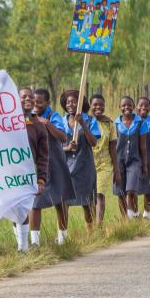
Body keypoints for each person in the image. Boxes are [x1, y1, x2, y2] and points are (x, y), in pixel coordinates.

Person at [32, 88, 72, 246]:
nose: (36, 106)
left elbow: (63, 137)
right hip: (37, 166)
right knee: (35, 203)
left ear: (48, 103)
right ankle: (35, 242)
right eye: (34, 102)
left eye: (40, 103)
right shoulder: (27, 116)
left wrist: (47, 123)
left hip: (55, 164)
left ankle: (62, 237)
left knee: (60, 201)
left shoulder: (53, 116)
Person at [13, 88, 49, 251]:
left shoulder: (39, 126)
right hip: (9, 174)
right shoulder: (8, 122)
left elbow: (43, 157)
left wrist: (41, 179)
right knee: (14, 210)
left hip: (29, 175)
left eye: (30, 97)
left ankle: (23, 247)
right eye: (23, 96)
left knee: (22, 209)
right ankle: (20, 242)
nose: (27, 99)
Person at [60, 90, 100, 231]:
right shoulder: (60, 121)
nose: (70, 104)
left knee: (87, 203)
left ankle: (91, 233)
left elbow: (94, 142)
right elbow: (56, 145)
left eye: (74, 101)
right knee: (63, 203)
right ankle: (63, 236)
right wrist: (67, 148)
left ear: (80, 103)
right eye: (68, 102)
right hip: (66, 168)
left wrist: (82, 123)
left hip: (85, 167)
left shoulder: (90, 120)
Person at [114, 96, 150, 219]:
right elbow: (112, 145)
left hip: (135, 161)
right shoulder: (115, 123)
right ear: (119, 108)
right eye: (123, 105)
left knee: (131, 190)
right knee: (120, 192)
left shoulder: (140, 123)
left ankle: (132, 215)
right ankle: (126, 219)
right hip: (119, 161)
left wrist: (144, 165)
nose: (126, 108)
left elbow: (143, 147)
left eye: (129, 105)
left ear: (134, 107)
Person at [90, 94, 121, 225]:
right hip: (89, 165)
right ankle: (90, 226)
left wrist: (117, 170)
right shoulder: (86, 122)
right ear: (90, 106)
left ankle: (99, 226)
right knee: (90, 198)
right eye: (95, 104)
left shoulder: (109, 124)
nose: (98, 107)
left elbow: (113, 148)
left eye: (101, 105)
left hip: (105, 164)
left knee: (100, 194)